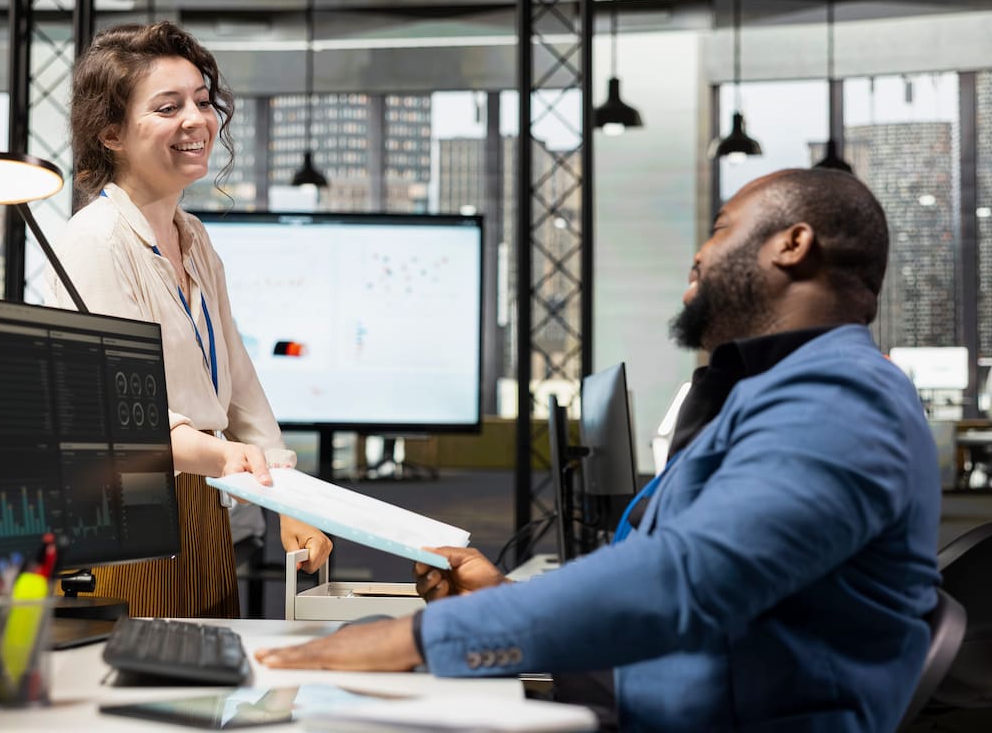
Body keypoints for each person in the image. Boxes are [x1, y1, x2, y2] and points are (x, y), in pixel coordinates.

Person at [255, 168, 942, 732]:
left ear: (792, 244)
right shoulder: (774, 393)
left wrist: (417, 639)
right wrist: (499, 602)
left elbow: (682, 582)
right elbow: (673, 595)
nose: (699, 255)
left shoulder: (842, 399)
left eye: (721, 229)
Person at [50, 21, 332, 618]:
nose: (195, 119)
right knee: (144, 696)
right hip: (127, 509)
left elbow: (239, 382)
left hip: (203, 500)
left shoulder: (193, 237)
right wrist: (227, 459)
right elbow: (121, 413)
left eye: (202, 101)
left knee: (208, 691)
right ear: (110, 133)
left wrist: (288, 500)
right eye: (167, 106)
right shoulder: (95, 240)